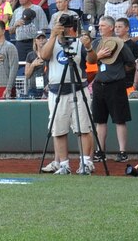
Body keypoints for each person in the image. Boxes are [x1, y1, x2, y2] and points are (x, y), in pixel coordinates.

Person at [38, 12, 95, 174]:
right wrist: (53, 36)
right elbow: (44, 55)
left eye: (64, 23)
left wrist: (89, 46)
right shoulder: (52, 42)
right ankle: (63, 164)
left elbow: (92, 60)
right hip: (56, 91)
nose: (62, 25)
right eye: (58, 22)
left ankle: (86, 163)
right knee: (58, 129)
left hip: (78, 89)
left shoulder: (78, 42)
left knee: (83, 127)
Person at [88, 17, 135, 161]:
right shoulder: (96, 43)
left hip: (116, 84)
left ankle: (122, 152)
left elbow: (130, 63)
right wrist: (98, 56)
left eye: (103, 25)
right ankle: (100, 151)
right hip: (99, 84)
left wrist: (117, 72)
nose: (100, 28)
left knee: (120, 119)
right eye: (99, 25)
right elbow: (89, 62)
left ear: (111, 27)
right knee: (100, 120)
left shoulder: (120, 43)